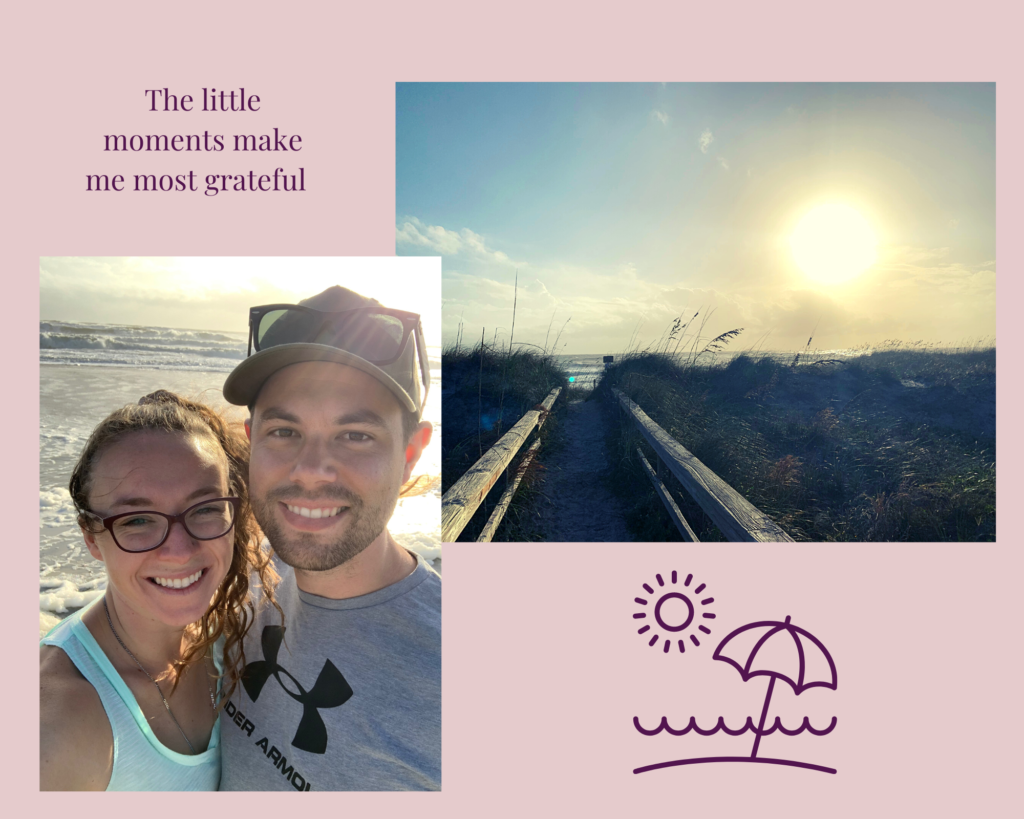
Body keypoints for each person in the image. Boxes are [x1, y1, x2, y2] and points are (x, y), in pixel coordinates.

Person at [218, 285, 440, 792]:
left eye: (355, 435)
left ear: (411, 453)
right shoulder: (239, 579)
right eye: (284, 431)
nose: (312, 471)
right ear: (251, 441)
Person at [40, 392, 279, 791]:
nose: (180, 550)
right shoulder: (59, 726)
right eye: (137, 520)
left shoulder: (228, 636)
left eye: (205, 508)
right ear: (92, 537)